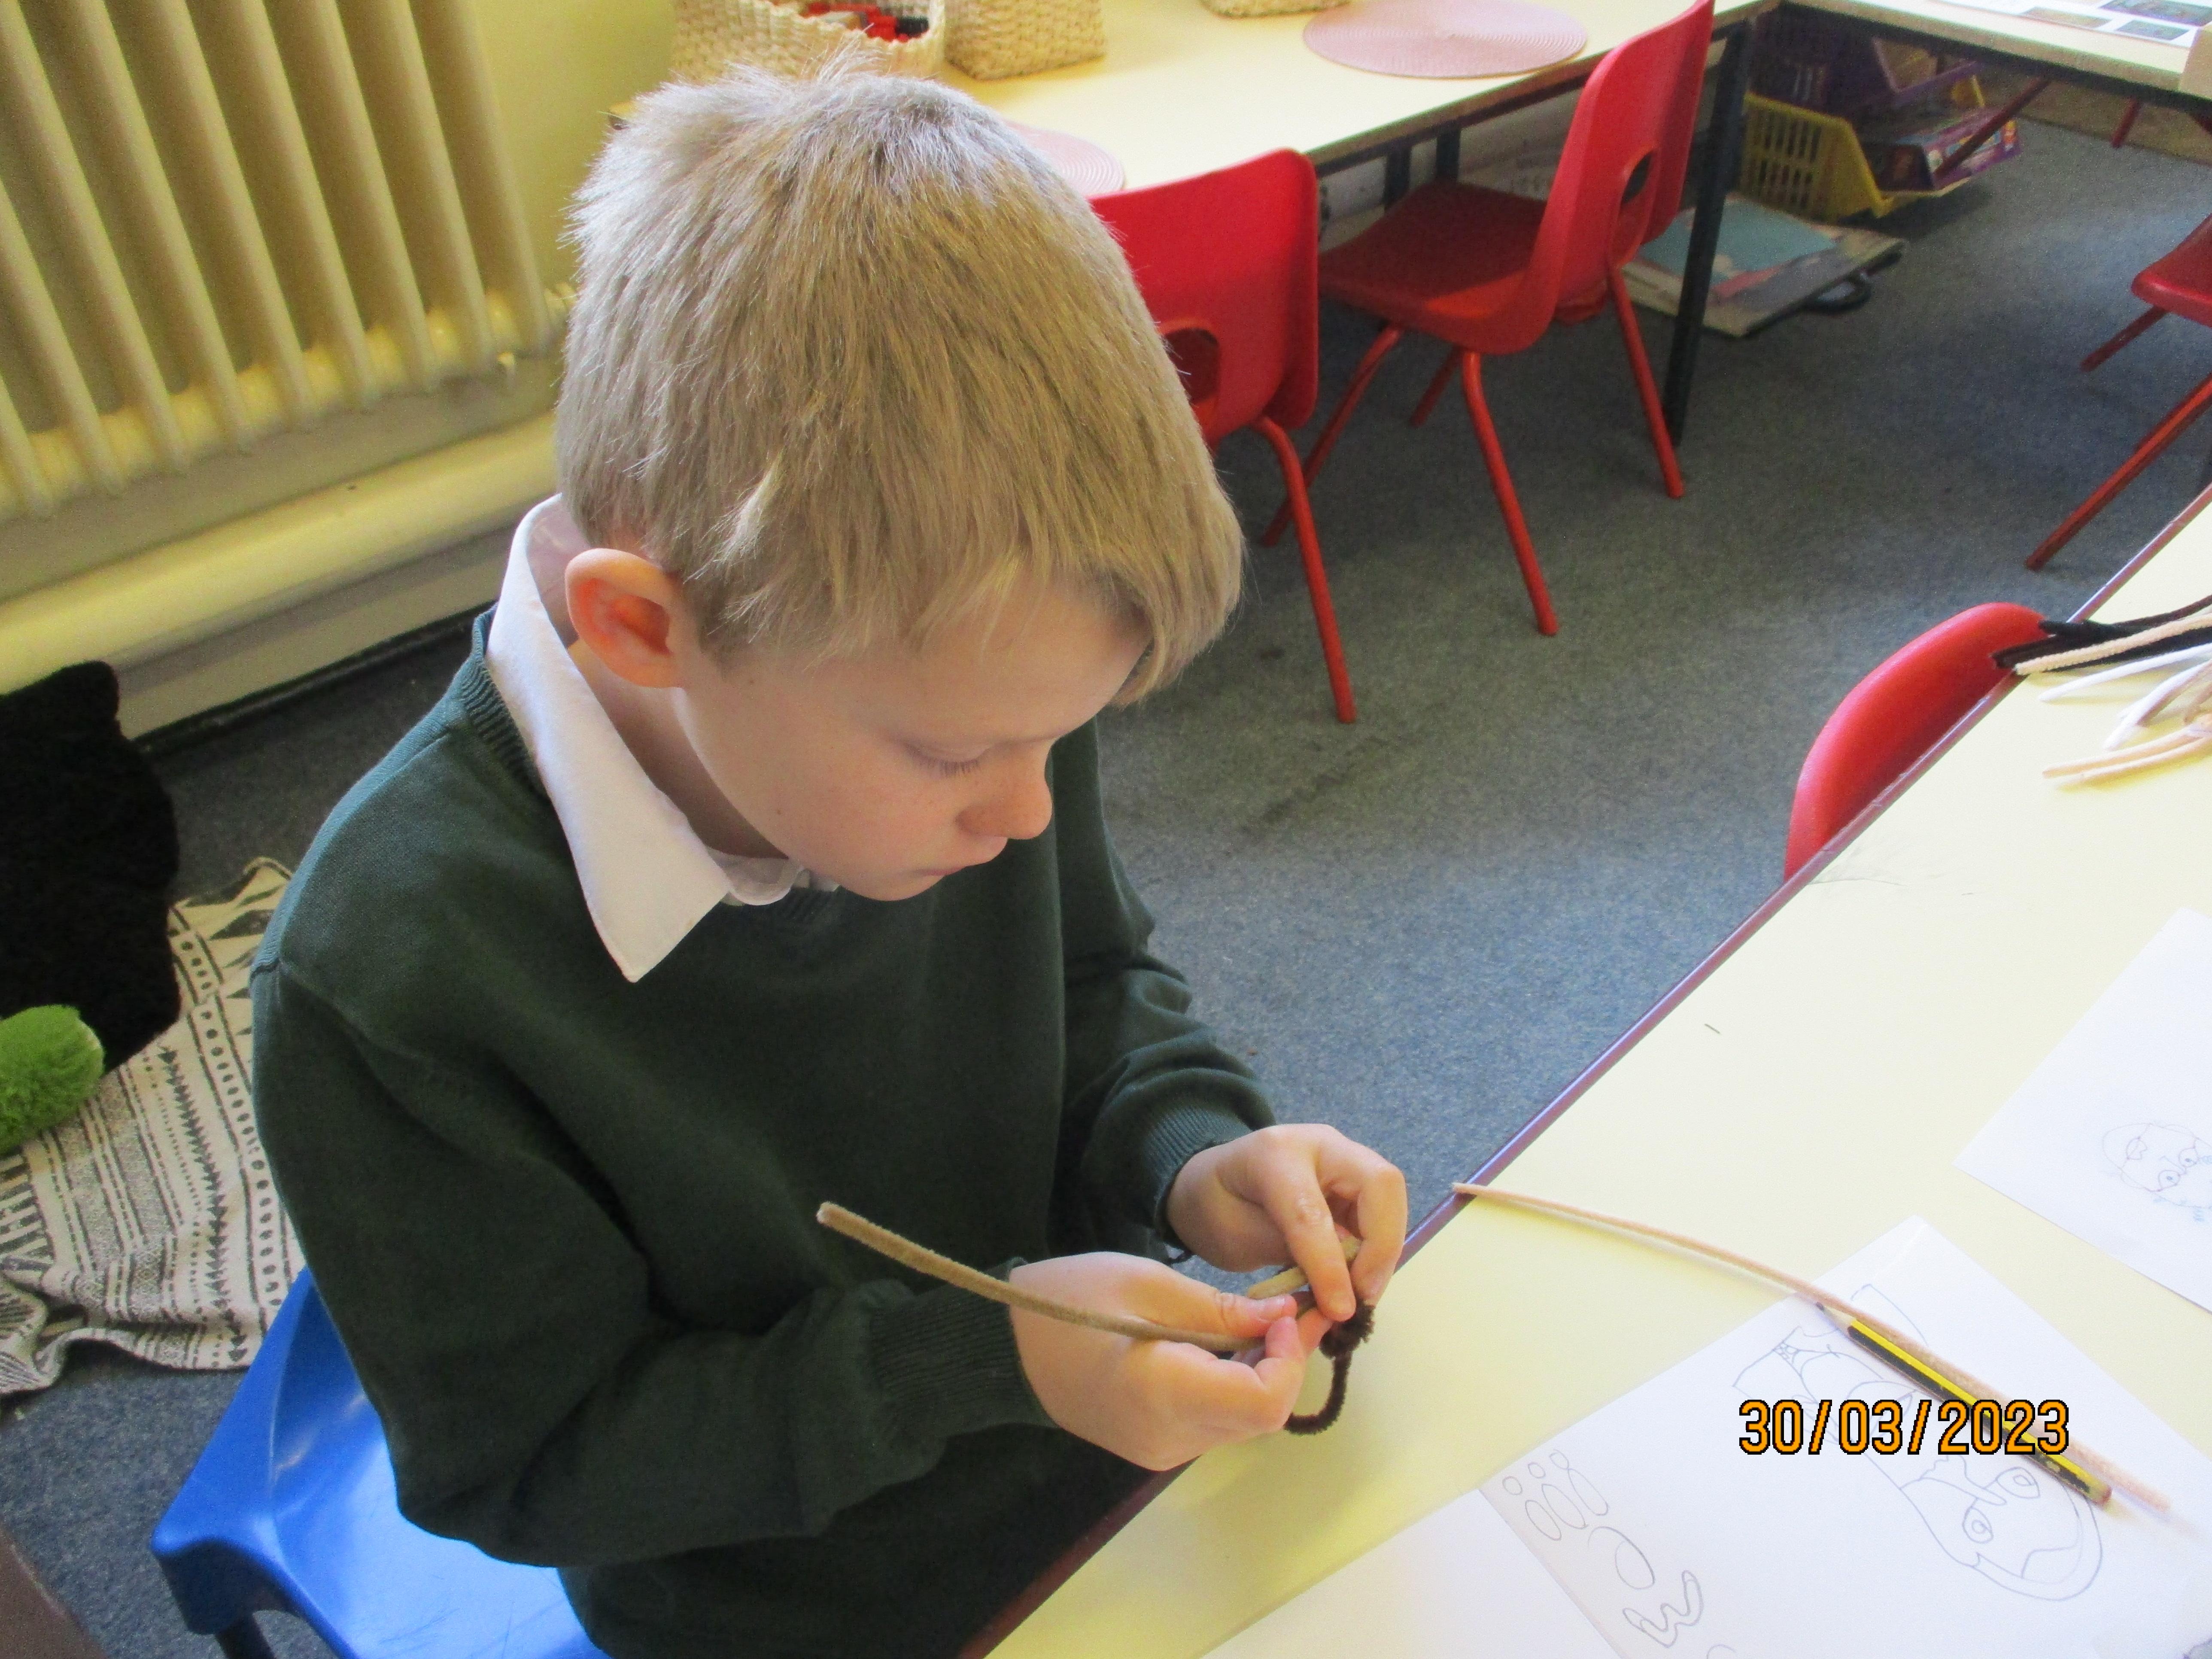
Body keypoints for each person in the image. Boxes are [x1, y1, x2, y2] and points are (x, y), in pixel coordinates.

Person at [251, 63, 1406, 1659]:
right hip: (790, 1603)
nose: (1027, 815)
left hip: (1103, 1469)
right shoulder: (390, 976)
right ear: (645, 629)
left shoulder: (965, 686)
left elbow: (1088, 986)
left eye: (1059, 738)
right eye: (955, 758)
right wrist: (983, 1361)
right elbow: (535, 1464)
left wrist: (1194, 1156)